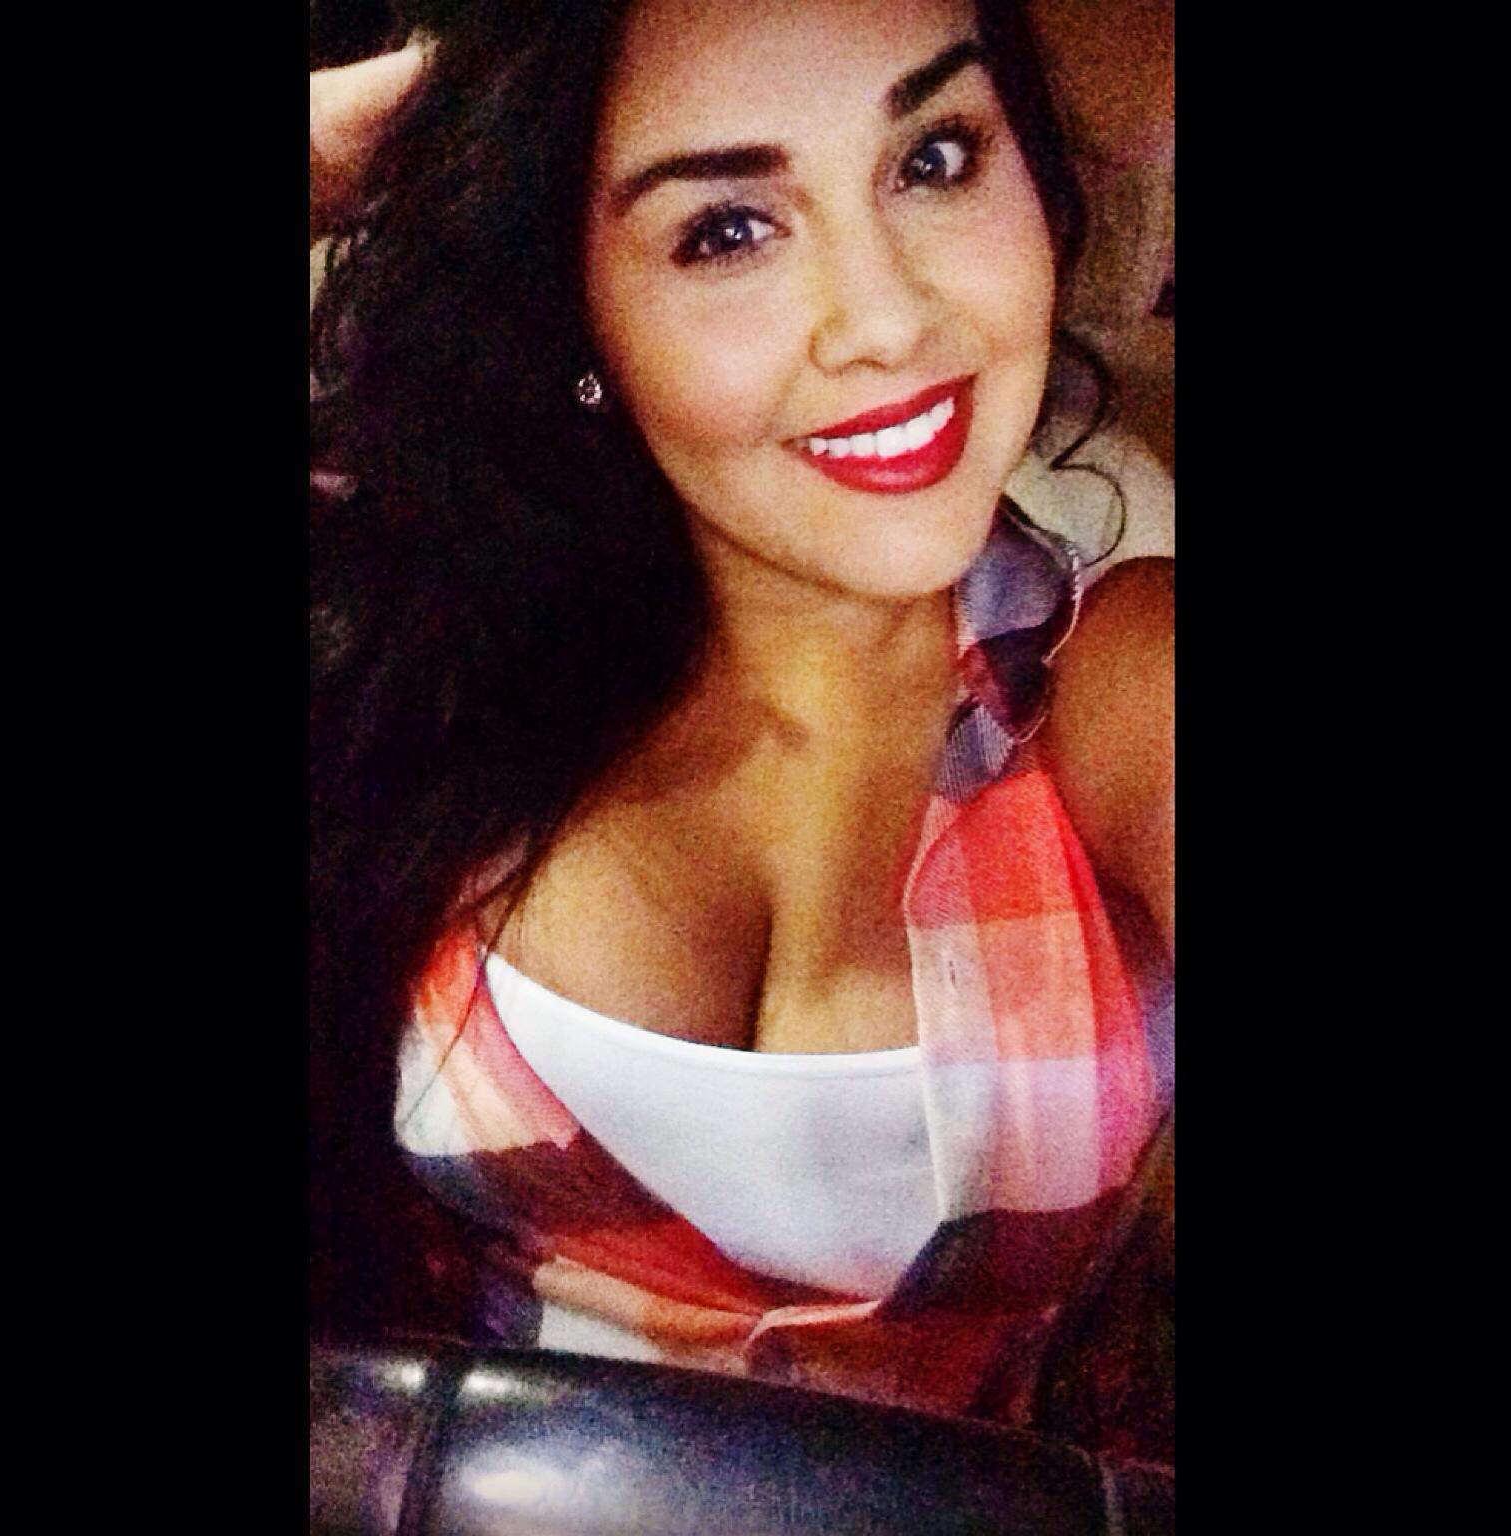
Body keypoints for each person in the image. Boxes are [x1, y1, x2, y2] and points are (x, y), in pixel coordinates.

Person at [311, 0, 1173, 1465]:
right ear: (578, 312)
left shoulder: (1125, 687)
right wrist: (402, 119)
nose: (886, 320)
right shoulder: (405, 648)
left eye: (937, 157)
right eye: (726, 230)